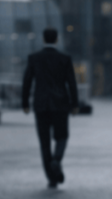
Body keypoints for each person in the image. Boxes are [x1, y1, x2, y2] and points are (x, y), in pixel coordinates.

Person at [22, 28, 79, 189]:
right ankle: (57, 159)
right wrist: (75, 104)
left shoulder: (34, 58)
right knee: (62, 136)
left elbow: (27, 81)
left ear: (43, 38)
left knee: (44, 142)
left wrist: (25, 103)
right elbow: (71, 83)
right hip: (60, 104)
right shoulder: (64, 59)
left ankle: (51, 178)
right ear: (57, 39)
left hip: (41, 105)